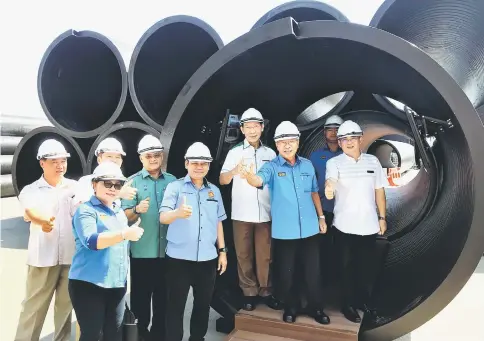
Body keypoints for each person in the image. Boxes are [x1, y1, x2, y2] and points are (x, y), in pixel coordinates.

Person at [241, 121, 330, 325]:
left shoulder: (307, 165)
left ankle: (316, 308)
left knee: (313, 272)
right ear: (276, 145)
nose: (287, 145)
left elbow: (314, 192)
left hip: (309, 228)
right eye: (282, 142)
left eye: (291, 141)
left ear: (298, 142)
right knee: (287, 272)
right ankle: (291, 307)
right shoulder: (271, 167)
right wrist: (248, 176)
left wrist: (321, 217)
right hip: (285, 231)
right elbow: (258, 180)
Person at [159, 142, 228, 341]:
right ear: (186, 164)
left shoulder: (213, 190)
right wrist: (177, 213)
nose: (199, 167)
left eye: (204, 163)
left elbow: (218, 222)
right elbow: (163, 217)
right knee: (176, 307)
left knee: (202, 305)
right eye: (195, 163)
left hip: (207, 259)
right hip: (179, 259)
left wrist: (222, 251)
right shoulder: (175, 187)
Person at [68, 162, 144, 341]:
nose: (112, 188)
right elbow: (91, 241)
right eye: (107, 183)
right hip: (89, 285)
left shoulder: (118, 211)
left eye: (117, 185)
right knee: (92, 335)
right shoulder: (85, 210)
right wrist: (125, 234)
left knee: (115, 335)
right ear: (94, 184)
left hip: (116, 285)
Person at [325, 120, 388, 323]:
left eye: (352, 138)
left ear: (361, 139)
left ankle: (363, 301)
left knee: (365, 267)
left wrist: (382, 217)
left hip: (368, 225)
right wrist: (329, 188)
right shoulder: (334, 163)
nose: (349, 142)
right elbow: (331, 181)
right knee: (345, 267)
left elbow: (379, 191)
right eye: (344, 139)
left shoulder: (373, 162)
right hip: (344, 225)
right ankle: (348, 305)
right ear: (340, 143)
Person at [14, 139, 77, 341]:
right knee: (33, 309)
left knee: (65, 310)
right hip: (43, 259)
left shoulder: (75, 188)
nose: (60, 166)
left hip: (70, 257)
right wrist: (43, 221)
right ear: (42, 163)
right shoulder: (31, 190)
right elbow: (30, 211)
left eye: (63, 161)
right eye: (54, 162)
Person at [219, 108, 280, 311]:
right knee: (243, 254)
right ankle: (249, 292)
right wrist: (235, 170)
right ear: (242, 129)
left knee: (266, 254)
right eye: (248, 127)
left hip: (265, 211)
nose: (252, 130)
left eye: (256, 126)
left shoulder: (270, 153)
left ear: (262, 127)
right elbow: (222, 179)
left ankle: (267, 290)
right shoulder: (235, 152)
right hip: (241, 212)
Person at [121, 134, 176, 341]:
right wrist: (136, 209)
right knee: (140, 301)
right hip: (142, 252)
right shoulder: (132, 182)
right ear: (141, 158)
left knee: (163, 300)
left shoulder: (172, 181)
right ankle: (141, 336)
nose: (153, 159)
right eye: (149, 156)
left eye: (157, 155)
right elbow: (124, 217)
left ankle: (159, 336)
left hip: (167, 253)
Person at [309, 115, 344, 285]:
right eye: (330, 129)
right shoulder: (316, 157)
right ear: (324, 133)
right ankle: (323, 282)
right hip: (323, 209)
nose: (333, 133)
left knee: (342, 249)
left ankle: (338, 282)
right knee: (322, 247)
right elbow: (309, 185)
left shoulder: (349, 155)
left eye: (337, 129)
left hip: (344, 210)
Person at [70, 137, 136, 214]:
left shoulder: (124, 184)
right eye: (109, 156)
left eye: (117, 157)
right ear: (99, 159)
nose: (114, 160)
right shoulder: (85, 182)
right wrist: (117, 194)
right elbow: (80, 209)